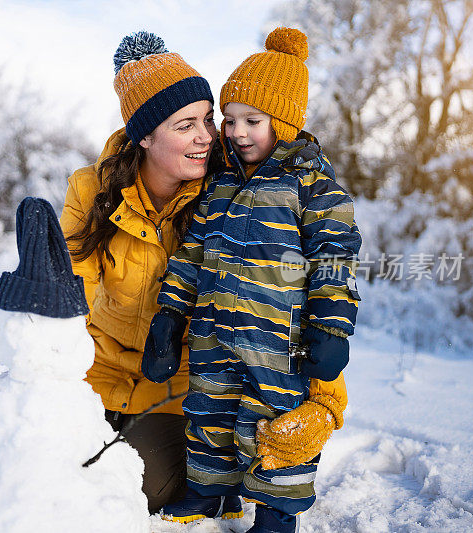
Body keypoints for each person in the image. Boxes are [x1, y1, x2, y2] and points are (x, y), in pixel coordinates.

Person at [142, 28, 361, 532]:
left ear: (282, 122)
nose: (237, 132)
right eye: (230, 120)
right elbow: (191, 255)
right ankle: (210, 493)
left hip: (279, 341)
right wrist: (171, 314)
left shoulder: (313, 187)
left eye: (252, 121)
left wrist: (331, 327)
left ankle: (278, 512)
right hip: (213, 332)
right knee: (208, 413)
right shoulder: (217, 185)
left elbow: (335, 260)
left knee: (277, 427)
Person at [58, 31, 219, 514]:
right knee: (50, 464)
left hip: (177, 389)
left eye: (208, 120)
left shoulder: (225, 198)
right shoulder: (93, 188)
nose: (205, 137)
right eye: (185, 125)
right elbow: (68, 284)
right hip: (98, 374)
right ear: (144, 136)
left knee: (138, 489)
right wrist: (16, 315)